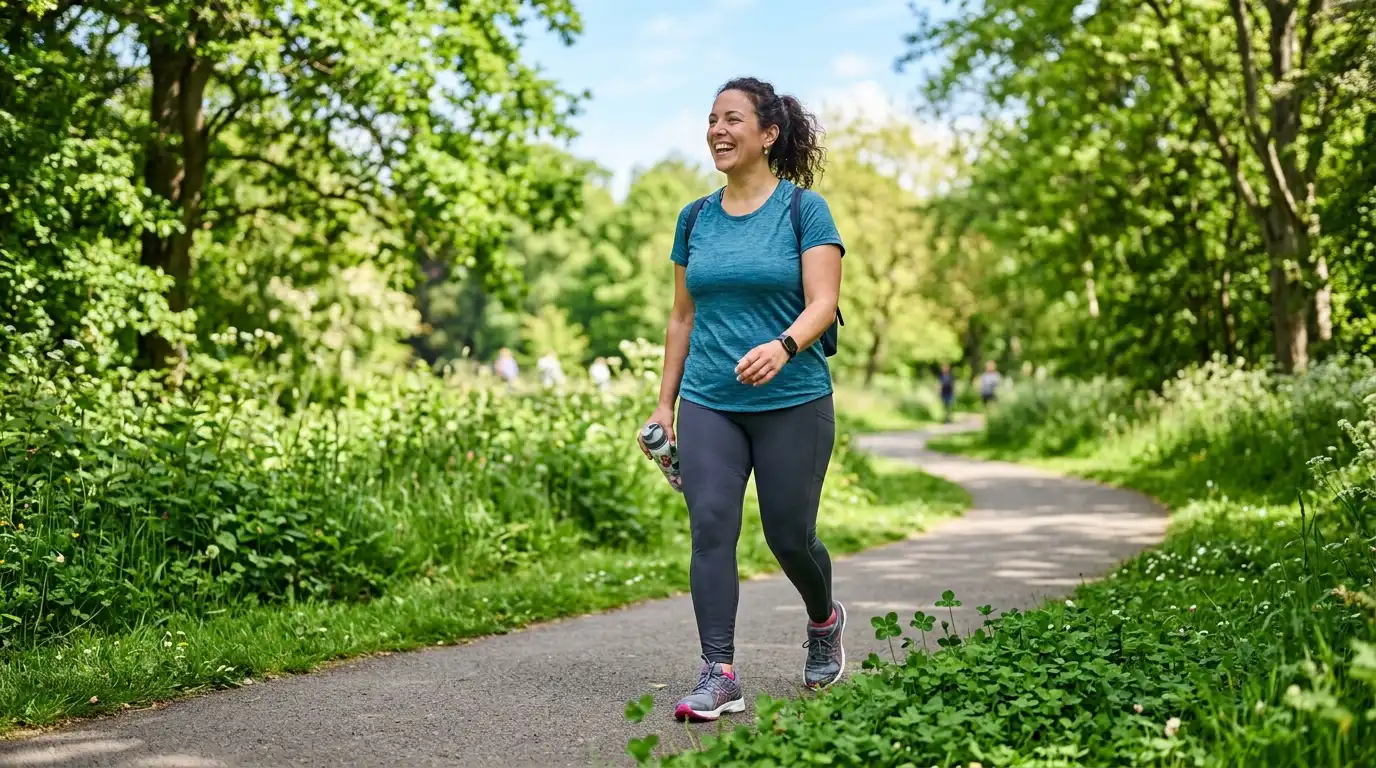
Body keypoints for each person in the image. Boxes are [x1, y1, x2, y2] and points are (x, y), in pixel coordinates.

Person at [637, 77, 847, 723]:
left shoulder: (802, 209)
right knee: (710, 529)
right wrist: (663, 406)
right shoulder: (694, 218)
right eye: (711, 120)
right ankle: (719, 672)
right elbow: (681, 318)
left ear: (768, 133)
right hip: (709, 400)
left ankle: (824, 619)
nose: (717, 131)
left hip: (793, 399)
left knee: (789, 535)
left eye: (732, 119)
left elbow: (823, 303)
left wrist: (783, 346)